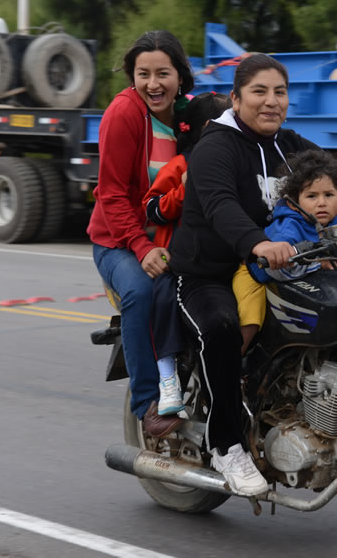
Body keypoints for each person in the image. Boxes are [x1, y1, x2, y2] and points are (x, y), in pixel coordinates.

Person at [166, 53, 337, 496]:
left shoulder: (288, 145)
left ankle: (328, 425)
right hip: (206, 273)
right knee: (222, 327)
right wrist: (257, 242)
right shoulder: (217, 146)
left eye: (280, 92)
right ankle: (226, 445)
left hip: (281, 270)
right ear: (236, 98)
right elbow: (219, 206)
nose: (271, 101)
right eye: (259, 92)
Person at [87, 30, 194, 437]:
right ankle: (148, 403)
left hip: (173, 239)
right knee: (141, 293)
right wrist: (140, 245)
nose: (153, 84)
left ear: (179, 76)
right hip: (119, 241)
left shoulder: (191, 115)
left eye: (162, 73)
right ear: (132, 76)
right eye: (142, 73)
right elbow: (111, 194)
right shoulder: (124, 114)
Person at [142, 92, 232, 415]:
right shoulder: (180, 165)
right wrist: (184, 191)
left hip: (223, 259)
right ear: (208, 127)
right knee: (164, 297)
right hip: (178, 259)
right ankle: (167, 376)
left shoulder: (233, 160)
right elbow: (151, 208)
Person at [247, 149, 337, 284]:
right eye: (312, 196)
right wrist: (320, 264)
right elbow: (279, 270)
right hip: (262, 281)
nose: (322, 203)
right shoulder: (287, 230)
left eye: (329, 195)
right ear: (293, 203)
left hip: (318, 285)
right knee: (251, 304)